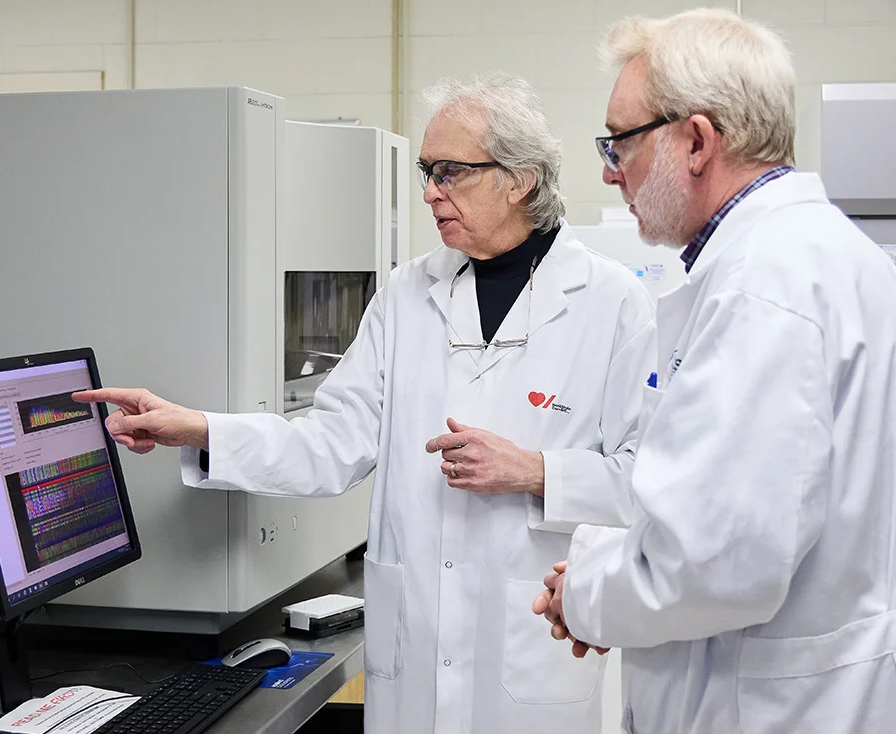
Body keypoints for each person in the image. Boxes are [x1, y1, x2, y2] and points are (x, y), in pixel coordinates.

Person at [75, 73, 655, 734]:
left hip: (528, 660)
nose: (431, 191)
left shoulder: (611, 302)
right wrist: (200, 429)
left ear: (518, 178)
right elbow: (332, 443)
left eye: (450, 172)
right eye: (425, 172)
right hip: (413, 656)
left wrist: (535, 472)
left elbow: (647, 484)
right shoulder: (408, 293)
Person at [533, 8, 896, 734]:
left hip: (760, 707)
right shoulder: (826, 259)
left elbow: (709, 566)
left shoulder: (765, 285)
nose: (610, 171)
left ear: (695, 140)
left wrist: (584, 594)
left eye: (620, 143)